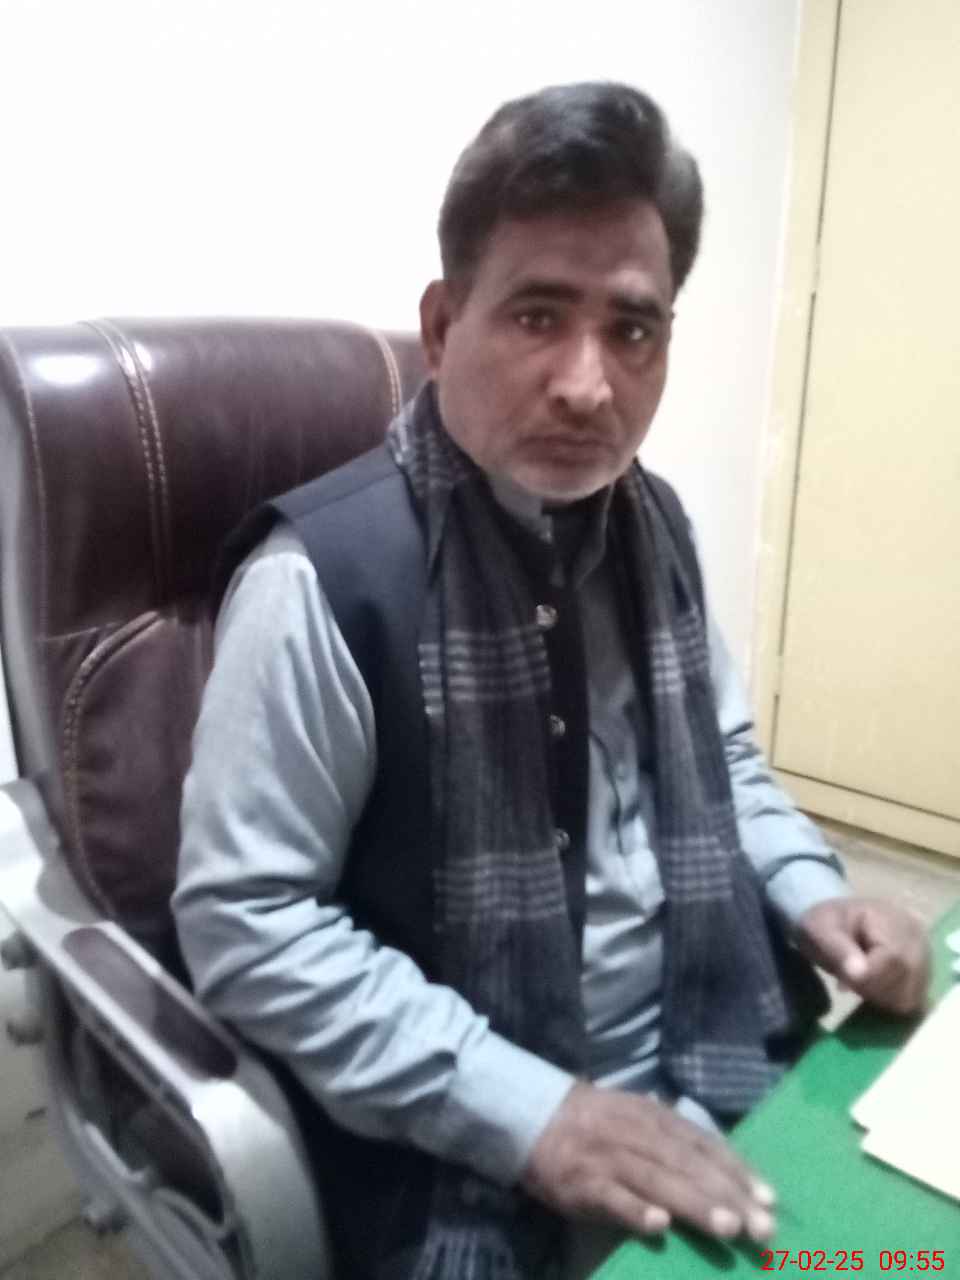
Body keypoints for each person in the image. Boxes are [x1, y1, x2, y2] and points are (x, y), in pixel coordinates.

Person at [173, 82, 929, 1280]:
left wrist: (811, 888)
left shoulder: (654, 524)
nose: (589, 384)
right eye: (537, 315)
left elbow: (724, 755)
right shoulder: (322, 583)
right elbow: (248, 923)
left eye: (633, 330)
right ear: (441, 326)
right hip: (478, 1132)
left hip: (718, 1038)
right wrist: (538, 1114)